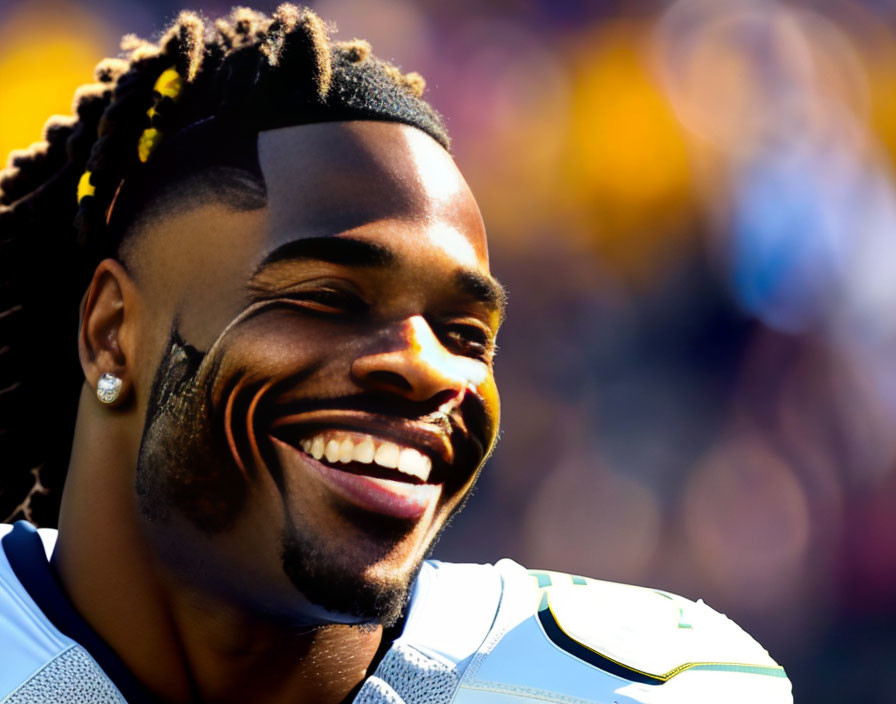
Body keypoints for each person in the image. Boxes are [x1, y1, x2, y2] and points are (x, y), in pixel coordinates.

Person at [0, 6, 793, 703]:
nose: (427, 367)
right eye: (327, 299)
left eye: (466, 334)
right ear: (112, 329)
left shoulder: (646, 687)